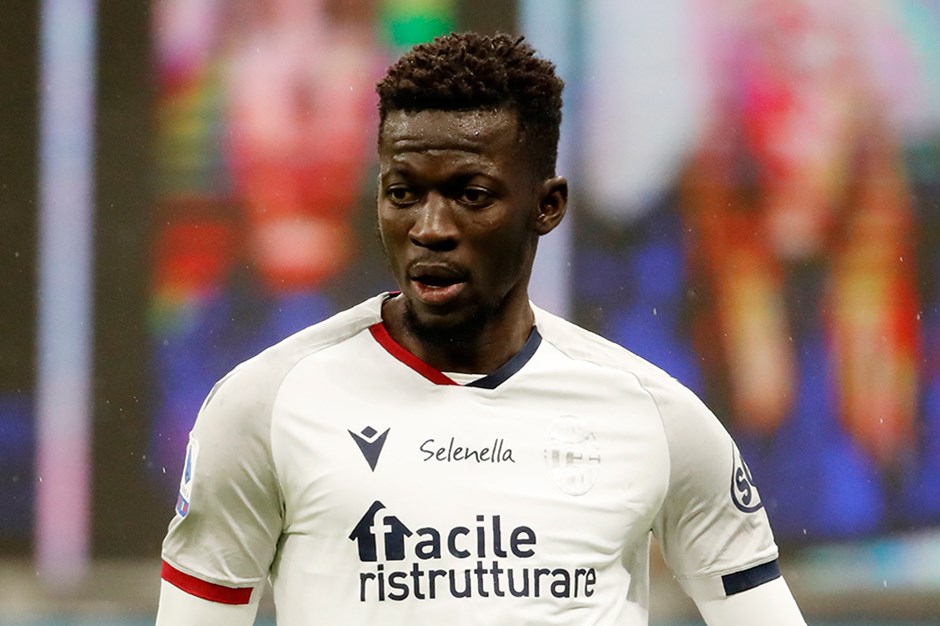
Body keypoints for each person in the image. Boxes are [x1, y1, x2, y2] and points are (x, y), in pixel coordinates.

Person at [155, 31, 807, 625]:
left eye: (470, 194)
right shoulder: (263, 406)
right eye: (404, 193)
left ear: (547, 206)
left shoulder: (654, 415)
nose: (430, 229)